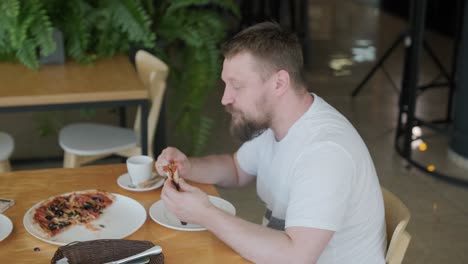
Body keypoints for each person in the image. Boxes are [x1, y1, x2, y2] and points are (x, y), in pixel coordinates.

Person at [156, 21, 386, 263]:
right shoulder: (274, 123)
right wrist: (187, 167)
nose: (225, 98)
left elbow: (295, 258)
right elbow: (236, 169)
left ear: (279, 83)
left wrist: (206, 214)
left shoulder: (325, 153)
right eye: (226, 84)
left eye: (237, 86)